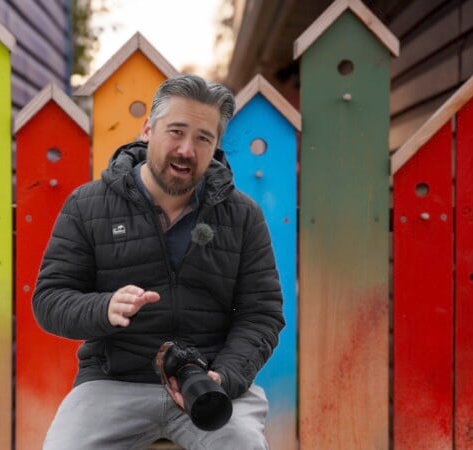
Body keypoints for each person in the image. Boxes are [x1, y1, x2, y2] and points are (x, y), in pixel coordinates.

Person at [33, 74, 285, 449]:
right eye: (176, 131)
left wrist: (224, 377)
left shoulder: (243, 216)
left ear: (215, 146)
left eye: (203, 138)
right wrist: (104, 307)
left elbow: (262, 314)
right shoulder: (87, 205)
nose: (187, 149)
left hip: (209, 383)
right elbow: (49, 300)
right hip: (113, 383)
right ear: (148, 129)